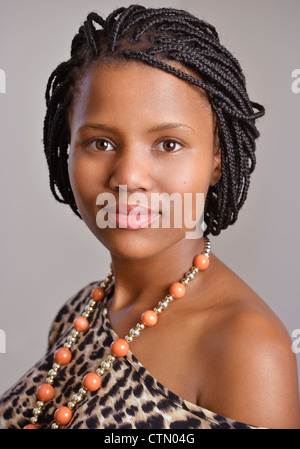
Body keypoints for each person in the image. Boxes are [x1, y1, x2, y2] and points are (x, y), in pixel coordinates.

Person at [0, 4, 299, 430]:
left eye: (168, 144)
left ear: (218, 159)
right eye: (101, 143)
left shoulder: (247, 348)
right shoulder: (80, 312)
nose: (128, 178)